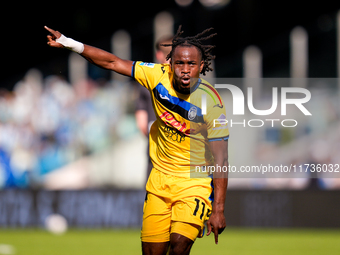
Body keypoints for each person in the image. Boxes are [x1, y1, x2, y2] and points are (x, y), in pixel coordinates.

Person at [45, 25, 229, 255]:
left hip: (195, 184)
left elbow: (221, 158)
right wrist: (71, 43)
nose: (184, 70)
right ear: (169, 63)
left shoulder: (211, 102)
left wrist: (218, 208)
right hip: (159, 183)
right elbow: (113, 62)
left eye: (191, 64)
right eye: (179, 63)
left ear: (201, 67)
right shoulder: (156, 75)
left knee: (180, 244)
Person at [135, 36, 173, 179]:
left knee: (153, 196)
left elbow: (142, 122)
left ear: (158, 54)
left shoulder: (147, 80)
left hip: (156, 151)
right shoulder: (189, 81)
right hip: (184, 155)